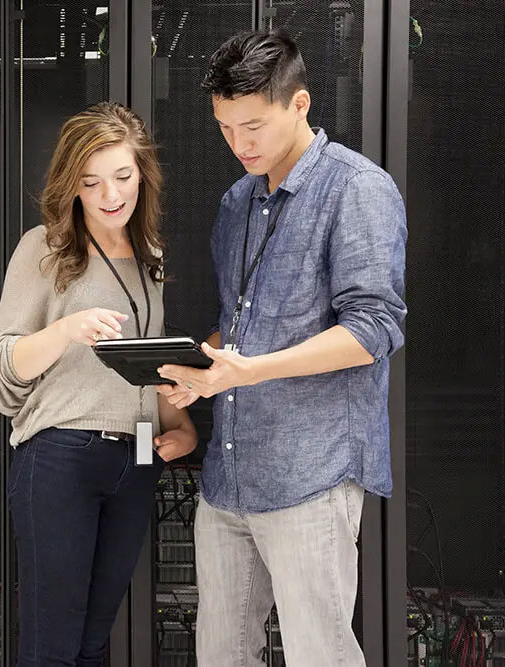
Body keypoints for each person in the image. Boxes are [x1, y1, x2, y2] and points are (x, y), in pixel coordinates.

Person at [155, 31, 407, 666]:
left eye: (254, 125)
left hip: (311, 476)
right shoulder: (237, 202)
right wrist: (200, 370)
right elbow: (238, 324)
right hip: (227, 481)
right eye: (225, 127)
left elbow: (374, 328)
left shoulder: (357, 189)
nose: (239, 144)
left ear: (300, 104)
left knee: (320, 656)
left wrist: (250, 371)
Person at [0, 101, 197, 666]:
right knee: (51, 649)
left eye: (123, 177)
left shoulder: (151, 257)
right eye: (92, 181)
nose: (110, 195)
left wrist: (181, 427)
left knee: (94, 644)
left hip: (139, 459)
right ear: (71, 185)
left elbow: (144, 375)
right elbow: (1, 371)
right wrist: (65, 331)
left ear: (142, 174)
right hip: (61, 456)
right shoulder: (44, 248)